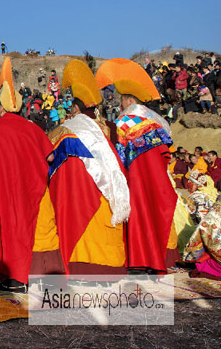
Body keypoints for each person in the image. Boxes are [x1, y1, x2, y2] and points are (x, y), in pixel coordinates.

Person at [0, 57, 64, 292]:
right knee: (38, 230)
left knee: (9, 232)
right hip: (31, 191)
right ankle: (43, 276)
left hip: (4, 195)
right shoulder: (32, 129)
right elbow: (51, 157)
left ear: (2, 107)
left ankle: (13, 278)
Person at [95, 58, 178, 273]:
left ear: (128, 99)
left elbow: (116, 156)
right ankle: (155, 259)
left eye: (122, 100)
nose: (120, 104)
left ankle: (139, 260)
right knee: (153, 215)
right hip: (156, 178)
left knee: (137, 217)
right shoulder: (154, 122)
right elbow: (166, 152)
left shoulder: (123, 123)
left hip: (134, 179)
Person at [48, 60, 130, 275]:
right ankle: (110, 265)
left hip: (76, 193)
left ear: (76, 108)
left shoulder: (66, 130)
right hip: (104, 192)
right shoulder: (105, 130)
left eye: (72, 107)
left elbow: (48, 157)